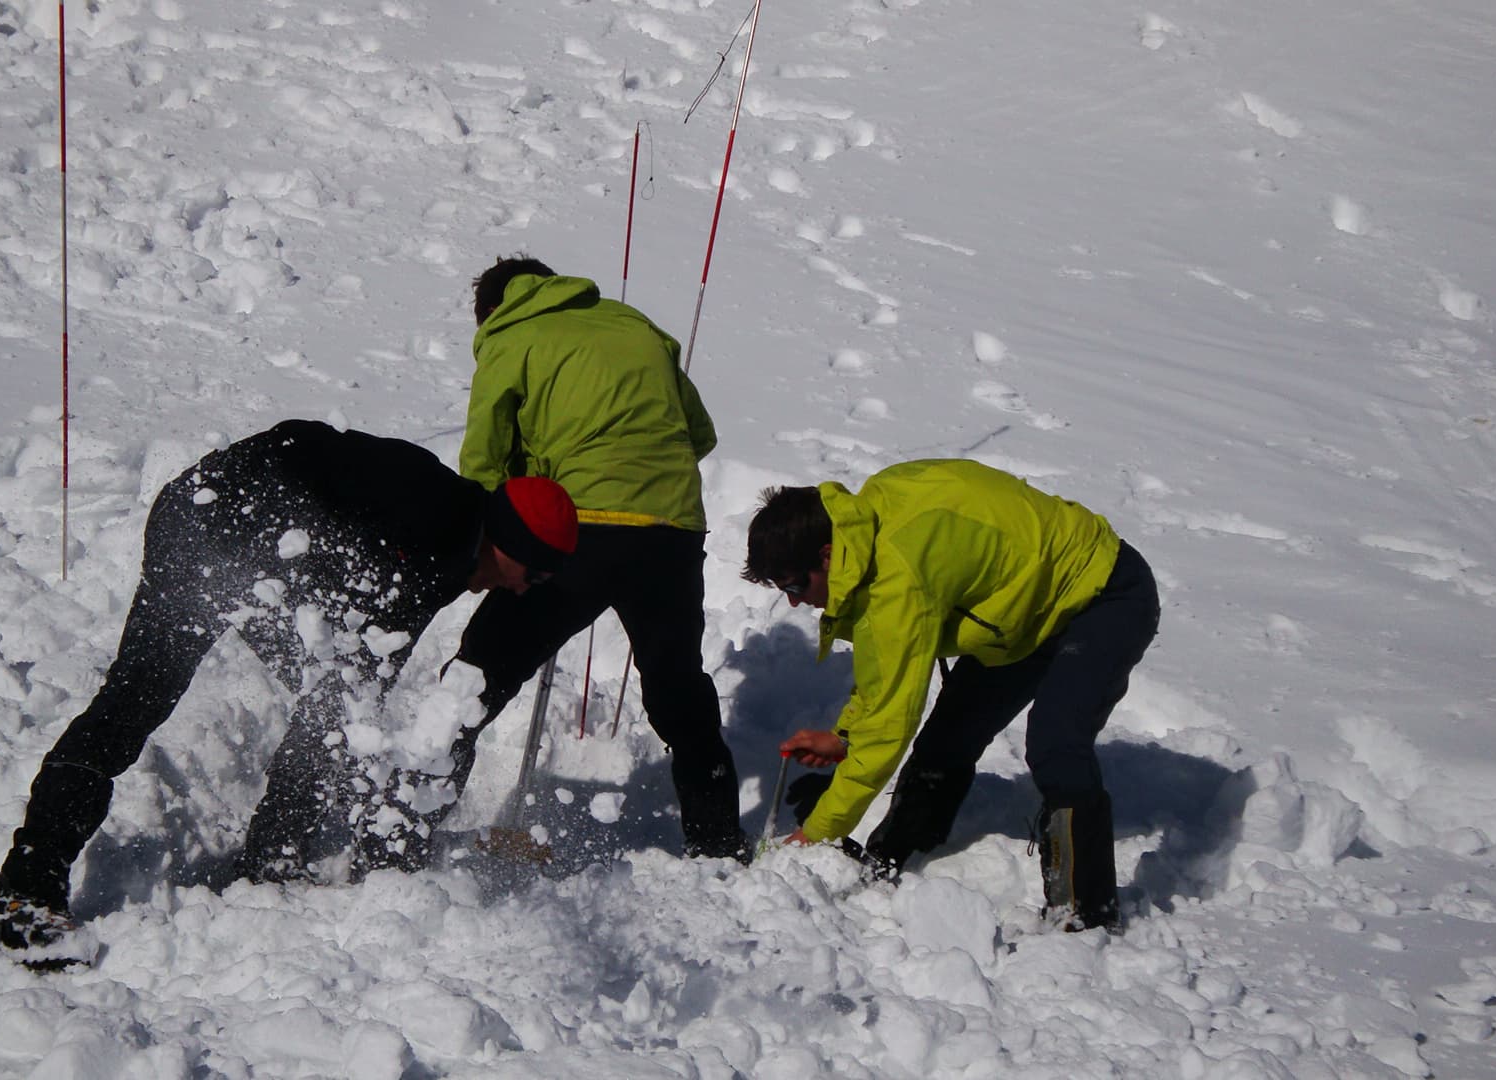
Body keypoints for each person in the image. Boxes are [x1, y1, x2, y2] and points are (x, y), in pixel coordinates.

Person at [0, 419, 578, 950]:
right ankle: (32, 881)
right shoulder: (428, 525)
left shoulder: (452, 551)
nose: (528, 589)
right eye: (537, 573)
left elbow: (353, 690)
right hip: (210, 523)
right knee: (136, 700)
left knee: (334, 705)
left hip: (256, 544)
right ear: (509, 545)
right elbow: (301, 457)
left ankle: (271, 855)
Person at [386, 255, 747, 865]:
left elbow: (482, 468)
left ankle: (397, 836)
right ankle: (717, 845)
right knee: (677, 690)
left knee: (478, 676)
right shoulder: (634, 325)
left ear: (492, 310)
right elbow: (700, 433)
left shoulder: (511, 335)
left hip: (576, 529)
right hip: (673, 529)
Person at [742, 460, 1159, 930]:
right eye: (783, 591)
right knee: (949, 737)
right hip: (1022, 611)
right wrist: (843, 736)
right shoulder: (866, 526)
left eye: (795, 586)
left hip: (1103, 592)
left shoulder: (897, 575)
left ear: (825, 555)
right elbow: (886, 668)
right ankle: (894, 854)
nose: (795, 601)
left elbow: (889, 727)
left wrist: (815, 836)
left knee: (1056, 742)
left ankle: (1086, 914)